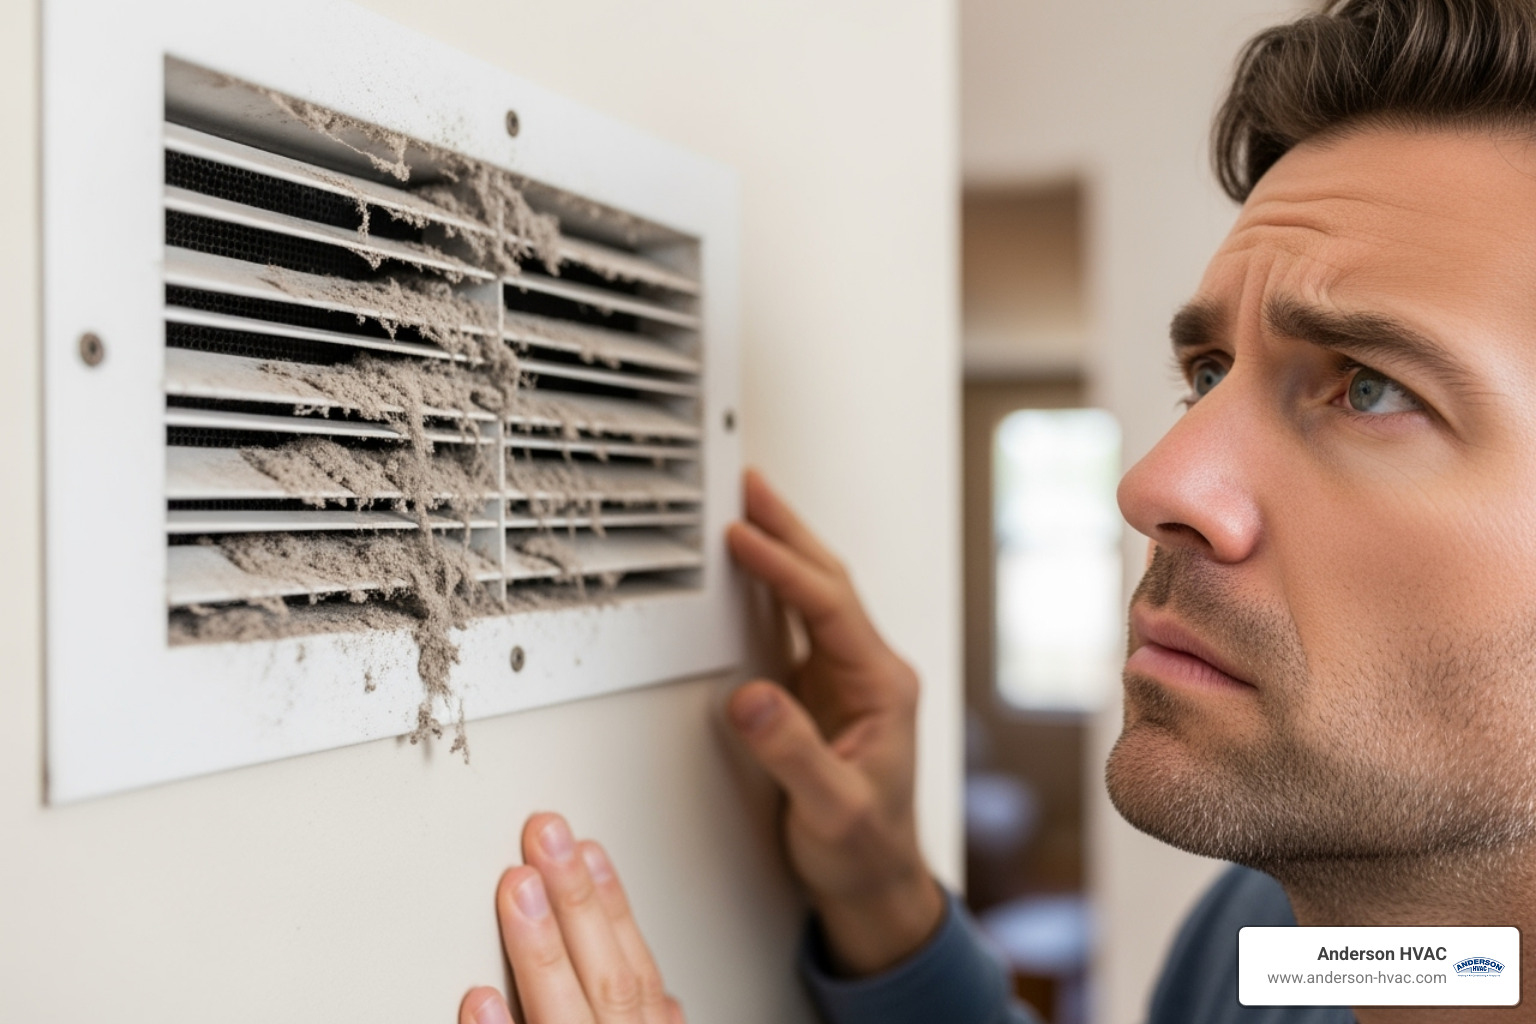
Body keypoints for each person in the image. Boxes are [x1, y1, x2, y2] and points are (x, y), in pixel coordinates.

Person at [456, 0, 1536, 1020]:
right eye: (1208, 374)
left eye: (1371, 386)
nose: (1153, 483)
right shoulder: (1322, 943)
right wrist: (887, 904)